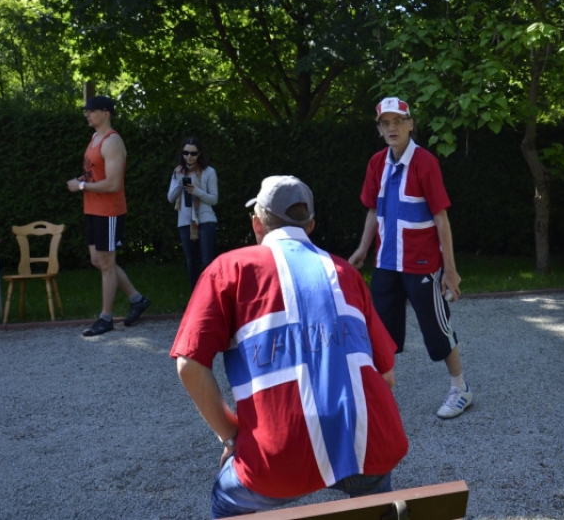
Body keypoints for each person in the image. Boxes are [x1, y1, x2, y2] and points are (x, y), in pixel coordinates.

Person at [171, 175, 408, 519]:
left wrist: (232, 436)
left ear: (257, 223)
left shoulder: (228, 269)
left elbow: (188, 364)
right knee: (375, 497)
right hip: (368, 445)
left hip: (277, 454)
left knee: (226, 499)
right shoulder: (346, 273)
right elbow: (386, 377)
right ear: (310, 225)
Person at [349, 97, 472, 419]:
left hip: (422, 264)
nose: (392, 128)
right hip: (386, 263)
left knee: (436, 329)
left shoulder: (425, 162)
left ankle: (461, 389)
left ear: (410, 124)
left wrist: (450, 270)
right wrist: (363, 248)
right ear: (379, 129)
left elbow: (441, 217)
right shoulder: (376, 163)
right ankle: (380, 397)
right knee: (382, 333)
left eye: (398, 121)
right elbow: (374, 210)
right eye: (385, 123)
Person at [67, 95, 151, 337]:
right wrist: (84, 180)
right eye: (87, 111)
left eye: (91, 111)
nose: (87, 114)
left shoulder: (112, 141)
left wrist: (82, 187)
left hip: (109, 212)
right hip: (93, 209)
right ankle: (137, 299)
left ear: (106, 113)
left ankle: (106, 318)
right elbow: (97, 175)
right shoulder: (94, 138)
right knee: (98, 260)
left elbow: (113, 184)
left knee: (106, 264)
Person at [167, 136, 219, 291]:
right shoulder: (178, 172)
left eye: (193, 153)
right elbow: (171, 198)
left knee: (207, 260)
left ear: (200, 154)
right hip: (184, 221)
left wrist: (196, 191)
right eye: (186, 153)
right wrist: (180, 181)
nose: (189, 156)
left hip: (206, 219)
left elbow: (214, 199)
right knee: (191, 261)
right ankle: (196, 299)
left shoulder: (209, 172)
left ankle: (212, 297)